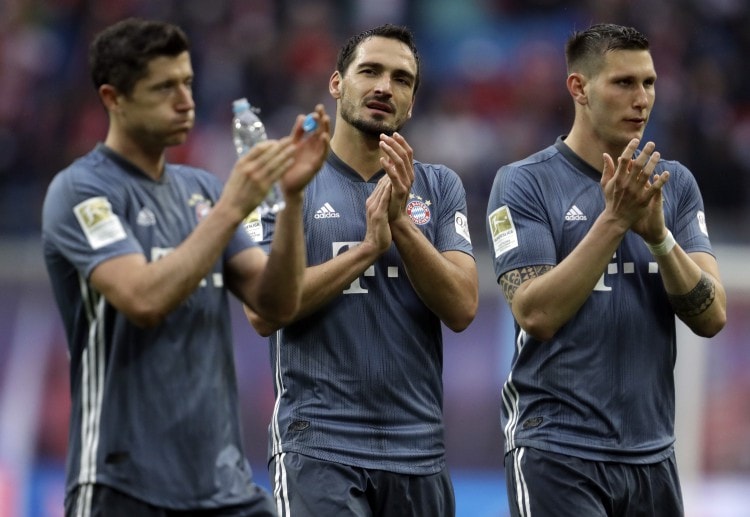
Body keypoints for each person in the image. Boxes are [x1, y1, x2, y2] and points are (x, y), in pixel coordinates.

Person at [41, 18, 330, 517]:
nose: (185, 100)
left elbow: (277, 304)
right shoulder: (82, 191)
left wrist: (293, 199)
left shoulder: (202, 190)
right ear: (114, 98)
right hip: (122, 484)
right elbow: (144, 300)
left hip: (223, 487)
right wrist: (231, 206)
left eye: (188, 83)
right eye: (164, 88)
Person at [485, 23, 727, 516]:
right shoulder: (523, 184)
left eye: (650, 83)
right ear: (579, 87)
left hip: (652, 454)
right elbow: (535, 312)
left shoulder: (674, 184)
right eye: (624, 83)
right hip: (556, 450)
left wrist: (659, 237)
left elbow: (712, 315)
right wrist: (615, 220)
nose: (642, 99)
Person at [244, 24, 478, 517]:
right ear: (336, 84)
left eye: (401, 79)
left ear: (412, 102)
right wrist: (366, 250)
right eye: (369, 71)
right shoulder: (287, 184)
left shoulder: (438, 187)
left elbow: (462, 307)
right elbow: (264, 311)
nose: (383, 87)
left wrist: (401, 226)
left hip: (419, 453)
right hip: (318, 449)